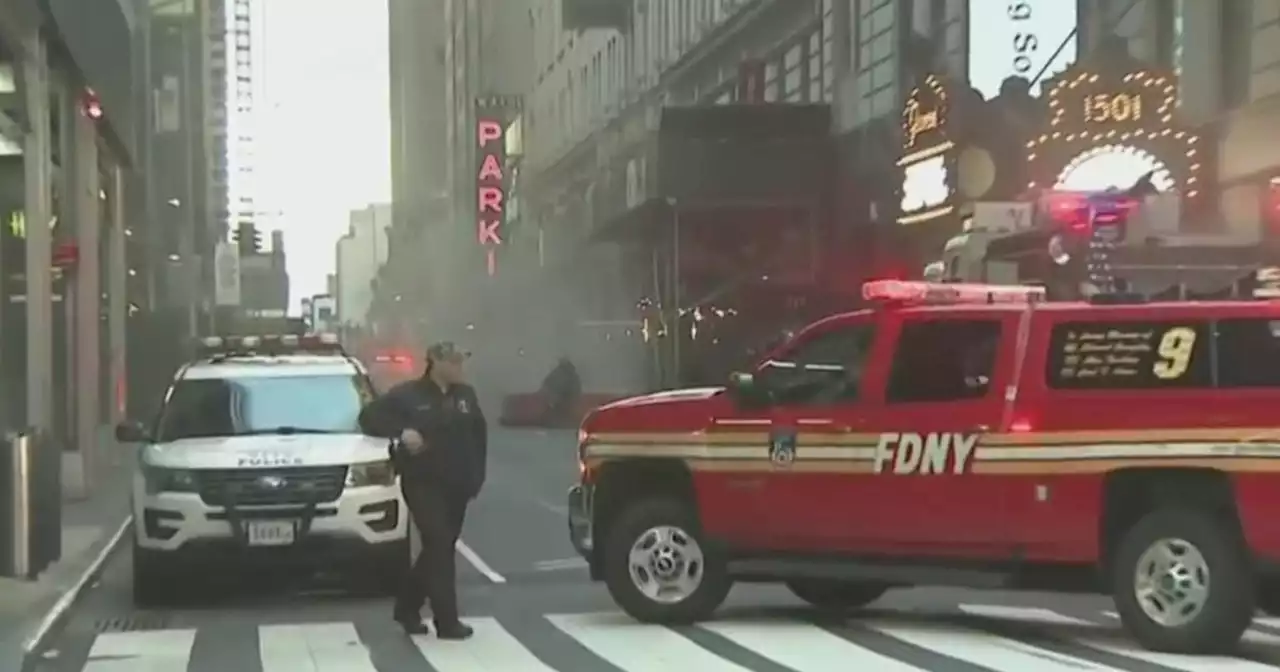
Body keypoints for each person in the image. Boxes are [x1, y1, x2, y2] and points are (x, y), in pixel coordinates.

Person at [357, 341, 487, 640]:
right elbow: (369, 418)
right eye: (453, 361)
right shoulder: (408, 395)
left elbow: (479, 436)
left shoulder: (465, 396)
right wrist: (402, 432)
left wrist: (477, 476)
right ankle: (447, 621)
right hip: (423, 482)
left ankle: (407, 606)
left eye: (460, 361)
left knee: (438, 549)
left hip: (458, 484)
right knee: (439, 542)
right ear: (435, 362)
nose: (459, 367)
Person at [539, 356, 581, 426]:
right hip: (564, 403)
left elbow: (546, 383)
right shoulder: (572, 376)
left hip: (561, 402)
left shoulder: (557, 374)